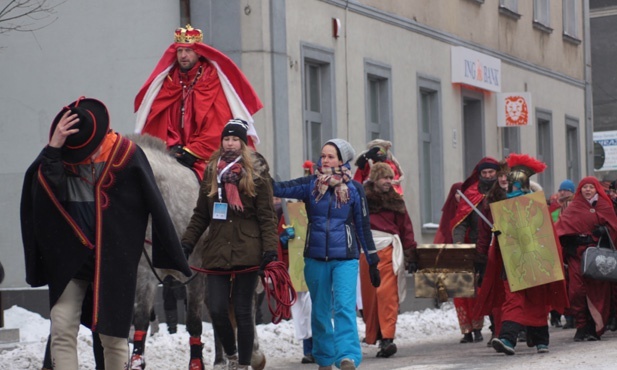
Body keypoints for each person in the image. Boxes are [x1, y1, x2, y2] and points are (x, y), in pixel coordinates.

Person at [20, 97, 192, 369]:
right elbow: (43, 193)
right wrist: (53, 148)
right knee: (63, 327)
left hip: (113, 260)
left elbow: (155, 206)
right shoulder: (60, 156)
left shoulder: (127, 155)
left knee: (112, 337)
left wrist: (171, 254)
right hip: (71, 260)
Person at [273, 138, 381, 370]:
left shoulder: (354, 189)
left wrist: (372, 260)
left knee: (343, 307)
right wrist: (261, 174)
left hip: (345, 259)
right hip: (315, 258)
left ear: (342, 160)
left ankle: (348, 357)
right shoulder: (311, 185)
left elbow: (362, 226)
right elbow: (280, 189)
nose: (325, 160)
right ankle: (324, 359)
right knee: (320, 311)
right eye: (323, 156)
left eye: (330, 156)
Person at [180, 119, 279, 370]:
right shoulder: (213, 171)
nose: (230, 143)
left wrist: (270, 250)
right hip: (217, 250)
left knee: (244, 311)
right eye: (226, 139)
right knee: (216, 308)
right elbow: (201, 214)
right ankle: (232, 353)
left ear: (243, 143)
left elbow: (267, 216)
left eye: (235, 139)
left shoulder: (256, 172)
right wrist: (186, 244)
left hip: (248, 249)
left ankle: (243, 364)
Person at [134, 24, 263, 181]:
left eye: (188, 51)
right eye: (180, 51)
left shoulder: (211, 80)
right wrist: (173, 146)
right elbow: (161, 120)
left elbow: (217, 126)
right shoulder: (169, 80)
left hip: (204, 156)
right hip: (173, 153)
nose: (183, 55)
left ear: (198, 52)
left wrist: (191, 152)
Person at [482, 153, 568, 355]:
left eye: (517, 185)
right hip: (512, 261)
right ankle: (507, 338)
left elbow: (546, 236)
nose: (514, 188)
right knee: (513, 299)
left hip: (535, 259)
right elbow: (503, 235)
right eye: (513, 185)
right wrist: (498, 231)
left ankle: (540, 340)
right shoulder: (502, 205)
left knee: (536, 301)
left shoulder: (536, 205)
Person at [360, 162, 417, 358]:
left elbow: (406, 229)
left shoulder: (396, 202)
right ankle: (375, 333)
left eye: (390, 178)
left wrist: (411, 254)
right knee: (370, 297)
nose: (388, 181)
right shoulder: (361, 201)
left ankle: (387, 339)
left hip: (388, 251)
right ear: (375, 179)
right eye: (384, 177)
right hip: (366, 252)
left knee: (387, 296)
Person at [556, 176, 617, 342]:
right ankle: (581, 325)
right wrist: (568, 242)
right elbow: (561, 228)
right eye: (585, 187)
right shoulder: (574, 206)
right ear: (580, 190)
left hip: (598, 256)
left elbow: (614, 227)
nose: (588, 190)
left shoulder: (605, 206)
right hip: (577, 254)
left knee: (598, 292)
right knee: (576, 291)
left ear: (596, 189)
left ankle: (594, 327)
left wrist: (605, 231)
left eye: (591, 187)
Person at [450, 157, 500, 343]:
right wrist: (458, 244)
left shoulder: (503, 191)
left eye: (491, 172)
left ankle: (499, 328)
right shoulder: (471, 194)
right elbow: (461, 223)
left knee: (502, 287)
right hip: (480, 248)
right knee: (486, 289)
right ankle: (490, 327)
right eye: (484, 173)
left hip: (502, 245)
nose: (488, 176)